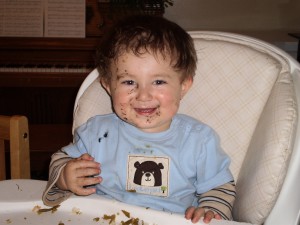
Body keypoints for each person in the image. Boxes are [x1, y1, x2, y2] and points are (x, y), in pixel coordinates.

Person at [42, 15, 236, 224]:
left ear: (183, 86)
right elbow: (61, 159)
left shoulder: (198, 140)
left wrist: (209, 210)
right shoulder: (97, 133)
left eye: (158, 81)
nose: (143, 95)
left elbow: (218, 188)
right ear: (108, 85)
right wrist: (65, 176)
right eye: (129, 82)